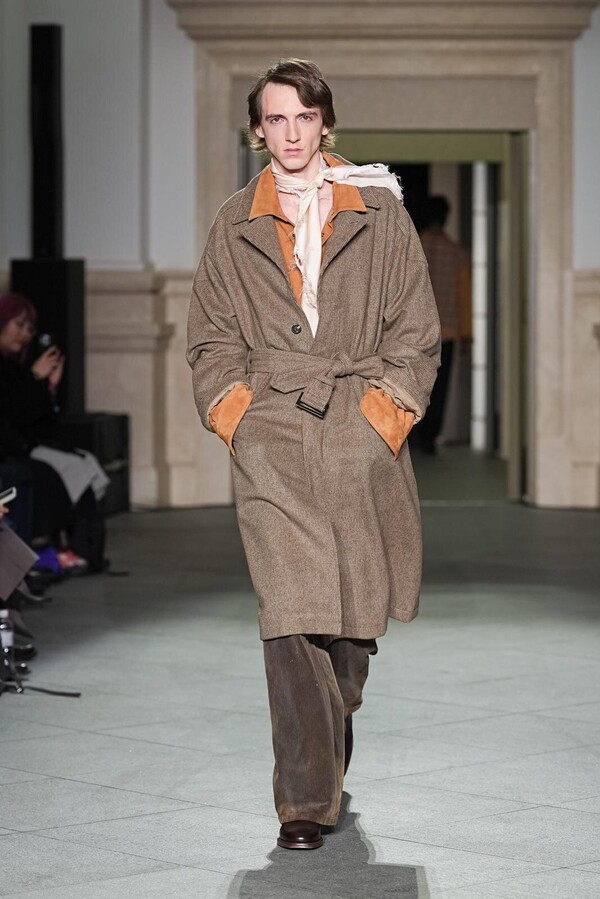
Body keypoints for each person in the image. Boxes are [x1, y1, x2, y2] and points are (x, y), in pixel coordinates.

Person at [187, 59, 440, 850]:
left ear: (325, 124)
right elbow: (210, 339)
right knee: (290, 616)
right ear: (257, 130)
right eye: (276, 119)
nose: (291, 133)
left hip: (358, 439)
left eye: (304, 117)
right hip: (273, 443)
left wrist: (381, 419)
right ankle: (302, 798)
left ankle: (334, 718)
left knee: (348, 638)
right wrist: (240, 418)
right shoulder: (234, 223)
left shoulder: (379, 210)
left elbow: (416, 330)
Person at [0, 292, 108, 572]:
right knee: (63, 470)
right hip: (14, 449)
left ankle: (81, 549)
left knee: (84, 463)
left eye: (29, 328)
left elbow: (41, 422)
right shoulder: (14, 370)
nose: (25, 334)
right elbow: (14, 413)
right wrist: (35, 379)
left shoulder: (16, 367)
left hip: (26, 445)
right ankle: (64, 551)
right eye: (18, 325)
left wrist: (48, 388)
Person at [410, 194, 472, 453]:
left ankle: (411, 434)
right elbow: (464, 297)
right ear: (446, 218)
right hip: (447, 331)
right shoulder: (455, 252)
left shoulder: (413, 246)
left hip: (414, 332)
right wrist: (466, 334)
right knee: (440, 387)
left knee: (413, 383)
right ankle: (429, 438)